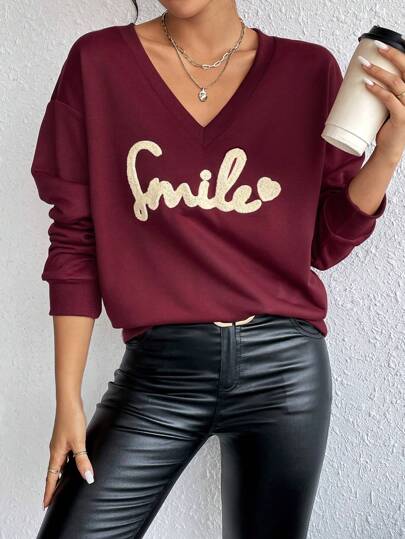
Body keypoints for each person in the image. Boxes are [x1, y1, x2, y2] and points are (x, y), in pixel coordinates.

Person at [30, 1, 405, 537]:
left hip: (285, 372)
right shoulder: (98, 63)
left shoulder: (309, 71)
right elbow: (74, 236)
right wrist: (67, 400)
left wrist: (389, 152)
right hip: (159, 374)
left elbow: (323, 244)